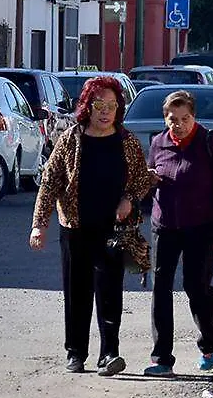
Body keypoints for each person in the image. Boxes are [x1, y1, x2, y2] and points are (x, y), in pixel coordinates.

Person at [29, 76, 158, 377]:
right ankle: (76, 352)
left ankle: (109, 353)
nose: (105, 112)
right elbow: (49, 183)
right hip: (74, 226)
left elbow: (141, 178)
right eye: (99, 105)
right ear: (88, 106)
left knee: (110, 290)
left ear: (118, 108)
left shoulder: (126, 141)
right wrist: (39, 224)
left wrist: (129, 198)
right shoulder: (71, 139)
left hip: (113, 229)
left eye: (112, 106)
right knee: (77, 290)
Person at [144, 90, 213, 377]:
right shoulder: (158, 143)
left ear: (194, 117)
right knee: (160, 288)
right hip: (165, 225)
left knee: (196, 286)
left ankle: (209, 344)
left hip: (201, 225)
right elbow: (151, 179)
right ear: (165, 119)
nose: (179, 125)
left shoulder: (209, 142)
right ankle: (161, 357)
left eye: (185, 119)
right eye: (173, 119)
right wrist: (149, 180)